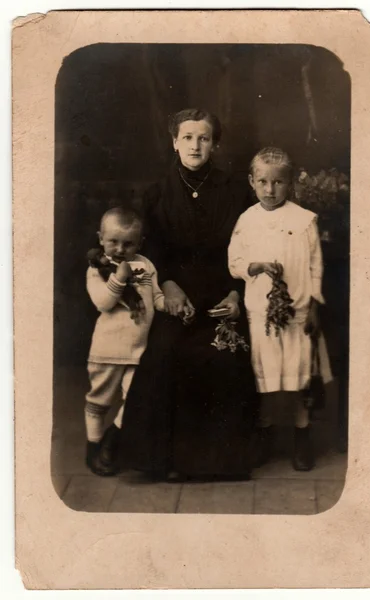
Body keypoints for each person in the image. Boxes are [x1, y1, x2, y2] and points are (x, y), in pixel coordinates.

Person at [119, 108, 258, 481]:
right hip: (174, 298)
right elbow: (152, 251)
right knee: (165, 351)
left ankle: (210, 463)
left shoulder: (235, 191)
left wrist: (235, 294)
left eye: (203, 138)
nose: (195, 145)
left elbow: (249, 248)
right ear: (174, 142)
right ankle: (164, 460)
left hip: (220, 297)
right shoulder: (156, 193)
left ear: (214, 143)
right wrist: (167, 284)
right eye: (187, 137)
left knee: (222, 357)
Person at [228, 147, 332, 471]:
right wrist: (254, 266)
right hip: (262, 314)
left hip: (298, 312)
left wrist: (314, 305)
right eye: (263, 182)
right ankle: (266, 432)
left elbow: (316, 266)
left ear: (290, 184)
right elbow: (234, 262)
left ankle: (302, 434)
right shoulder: (246, 220)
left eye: (278, 183)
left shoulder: (303, 221)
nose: (270, 190)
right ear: (252, 181)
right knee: (266, 376)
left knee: (300, 377)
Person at [85, 207, 164, 476]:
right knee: (99, 400)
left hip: (138, 350)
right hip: (107, 350)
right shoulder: (98, 268)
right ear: (101, 239)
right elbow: (103, 303)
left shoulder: (145, 264)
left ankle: (112, 437)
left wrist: (171, 305)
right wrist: (120, 277)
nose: (120, 249)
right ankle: (93, 446)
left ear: (139, 243)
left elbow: (155, 297)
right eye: (113, 242)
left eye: (128, 243)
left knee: (136, 401)